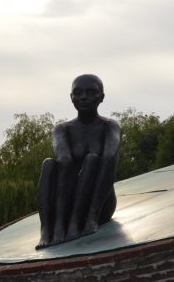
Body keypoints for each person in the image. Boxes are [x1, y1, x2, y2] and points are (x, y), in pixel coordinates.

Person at [37, 74, 121, 248]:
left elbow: (109, 159)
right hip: (68, 203)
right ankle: (48, 228)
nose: (84, 97)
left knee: (92, 160)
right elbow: (64, 160)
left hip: (99, 204)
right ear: (71, 98)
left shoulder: (109, 126)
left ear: (102, 97)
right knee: (48, 164)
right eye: (78, 93)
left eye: (91, 92)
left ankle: (85, 220)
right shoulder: (62, 129)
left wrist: (93, 215)